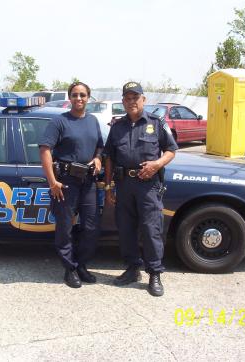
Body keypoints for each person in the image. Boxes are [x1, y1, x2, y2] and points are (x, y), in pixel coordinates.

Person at [103, 81, 178, 296]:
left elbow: (171, 150)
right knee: (125, 229)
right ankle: (132, 268)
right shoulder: (117, 127)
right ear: (123, 101)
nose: (131, 101)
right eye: (127, 98)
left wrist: (157, 164)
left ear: (143, 100)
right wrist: (109, 188)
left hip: (148, 186)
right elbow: (108, 157)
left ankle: (154, 273)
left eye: (135, 97)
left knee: (150, 229)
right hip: (124, 185)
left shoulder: (156, 122)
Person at [39, 82, 104, 288]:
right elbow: (45, 150)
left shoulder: (93, 121)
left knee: (91, 227)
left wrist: (98, 158)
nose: (79, 98)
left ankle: (81, 264)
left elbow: (100, 147)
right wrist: (52, 182)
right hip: (65, 183)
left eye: (83, 95)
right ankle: (69, 268)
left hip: (88, 182)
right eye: (75, 95)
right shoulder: (59, 121)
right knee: (65, 228)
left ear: (88, 98)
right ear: (70, 98)